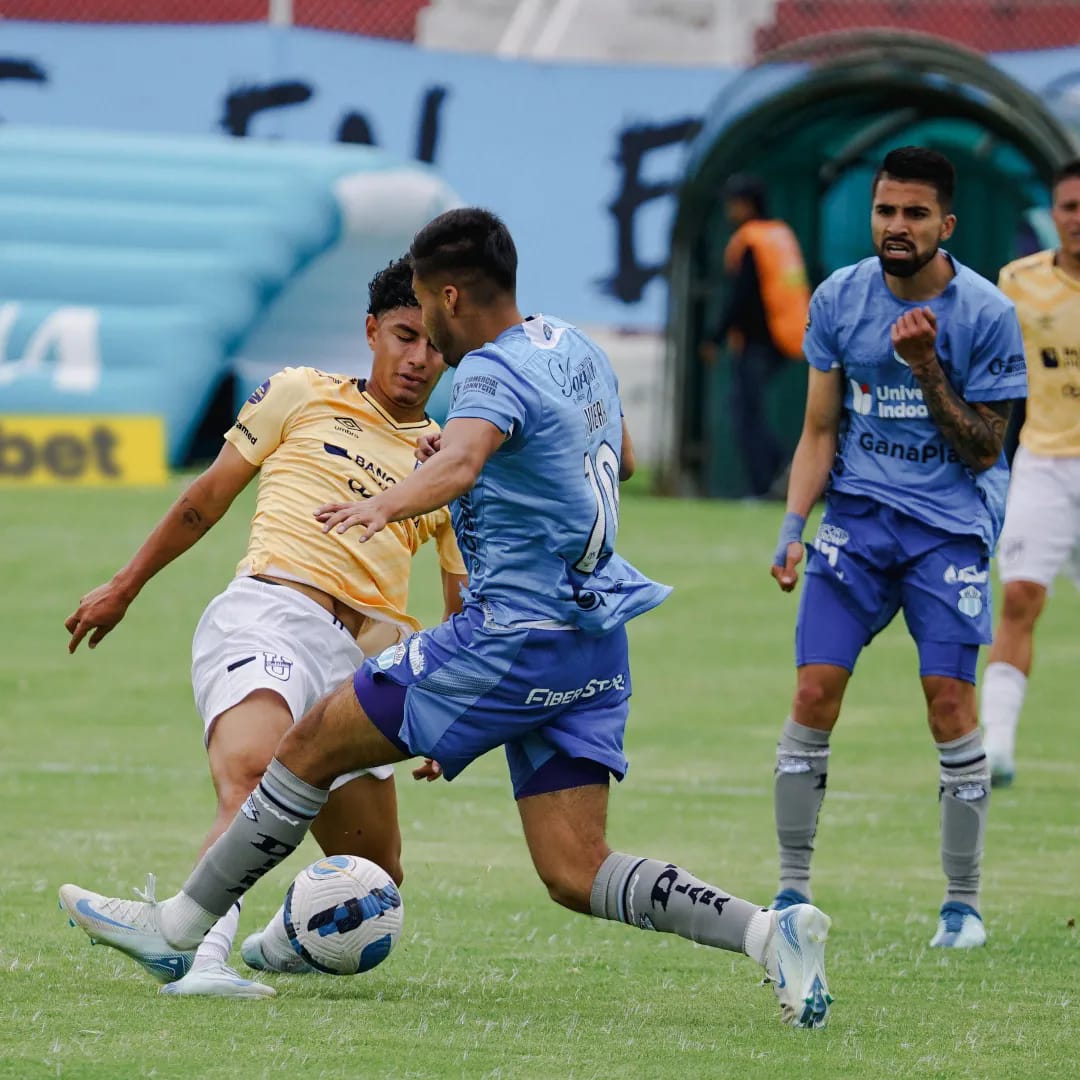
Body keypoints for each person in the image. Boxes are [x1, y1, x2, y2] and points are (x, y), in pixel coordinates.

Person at [61, 208, 834, 1028]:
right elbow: (623, 459)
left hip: (511, 641)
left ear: (452, 295)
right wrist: (498, 467)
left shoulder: (486, 375)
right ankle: (768, 931)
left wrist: (387, 503)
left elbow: (464, 461)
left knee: (310, 743)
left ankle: (177, 927)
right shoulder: (573, 347)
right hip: (594, 641)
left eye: (428, 306)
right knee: (576, 869)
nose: (426, 335)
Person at [59, 257, 467, 998]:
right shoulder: (300, 393)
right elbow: (205, 499)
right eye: (405, 336)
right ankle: (198, 959)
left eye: (435, 345)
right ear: (372, 330)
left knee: (373, 877)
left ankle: (272, 945)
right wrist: (124, 587)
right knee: (252, 774)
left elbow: (459, 609)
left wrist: (449, 714)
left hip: (362, 665)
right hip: (270, 615)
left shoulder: (449, 463)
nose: (418, 359)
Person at [768, 146, 1027, 949]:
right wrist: (792, 528)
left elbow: (985, 447)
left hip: (948, 531)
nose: (897, 227)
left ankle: (962, 903)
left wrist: (924, 368)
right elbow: (818, 428)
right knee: (813, 695)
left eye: (915, 214)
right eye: (886, 211)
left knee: (950, 707)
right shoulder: (840, 299)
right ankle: (790, 891)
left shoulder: (986, 315)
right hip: (857, 523)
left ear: (946, 224)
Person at [979, 159, 1080, 788]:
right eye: (1069, 207)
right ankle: (998, 746)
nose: (1078, 220)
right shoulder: (1019, 281)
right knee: (1018, 596)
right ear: (1053, 212)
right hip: (1044, 463)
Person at [704, 174, 811, 499]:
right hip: (788, 336)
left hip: (759, 340)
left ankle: (770, 477)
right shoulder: (780, 234)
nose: (728, 210)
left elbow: (743, 295)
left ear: (746, 204)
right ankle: (777, 471)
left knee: (744, 411)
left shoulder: (750, 239)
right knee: (748, 408)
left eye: (732, 203)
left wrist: (715, 337)